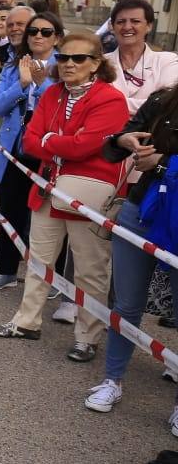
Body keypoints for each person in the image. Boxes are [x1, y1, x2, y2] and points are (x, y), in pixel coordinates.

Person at [0, 33, 128, 363]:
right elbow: (30, 143)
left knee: (90, 268)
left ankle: (87, 336)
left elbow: (88, 145)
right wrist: (62, 140)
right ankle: (26, 321)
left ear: (96, 64)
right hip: (48, 186)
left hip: (89, 192)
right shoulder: (51, 95)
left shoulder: (111, 99)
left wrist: (54, 140)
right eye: (63, 57)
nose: (68, 64)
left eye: (78, 59)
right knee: (38, 259)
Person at [95, 85, 178, 431]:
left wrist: (162, 163)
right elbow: (113, 147)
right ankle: (112, 380)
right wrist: (123, 141)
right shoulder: (164, 98)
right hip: (141, 209)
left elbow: (159, 162)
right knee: (126, 303)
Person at [0, 11, 63, 290]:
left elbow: (63, 108)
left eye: (46, 32)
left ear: (57, 38)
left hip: (48, 151)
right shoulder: (13, 65)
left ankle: (51, 280)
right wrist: (23, 83)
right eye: (33, 31)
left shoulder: (65, 67)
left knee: (49, 218)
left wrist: (41, 85)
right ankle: (6, 270)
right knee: (10, 209)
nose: (38, 36)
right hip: (15, 148)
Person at [103, 0, 178, 116]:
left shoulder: (167, 61)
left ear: (149, 26)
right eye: (121, 21)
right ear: (112, 27)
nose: (127, 27)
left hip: (150, 133)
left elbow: (166, 102)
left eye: (135, 21)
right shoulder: (100, 62)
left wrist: (108, 103)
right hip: (106, 132)